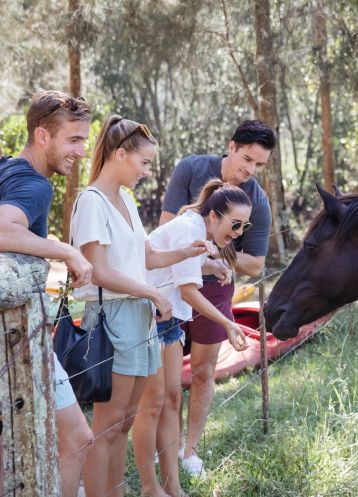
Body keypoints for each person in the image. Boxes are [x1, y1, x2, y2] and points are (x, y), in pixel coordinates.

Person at [70, 115, 209, 497]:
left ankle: (115, 491)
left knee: (125, 423)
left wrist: (186, 250)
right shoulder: (91, 201)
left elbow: (145, 255)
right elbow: (97, 271)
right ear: (119, 154)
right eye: (144, 163)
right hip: (114, 316)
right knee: (108, 424)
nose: (148, 172)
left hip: (139, 317)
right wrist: (153, 293)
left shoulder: (127, 200)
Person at [160, 119, 276, 476]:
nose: (250, 170)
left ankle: (189, 452)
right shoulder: (191, 169)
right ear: (230, 146)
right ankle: (167, 443)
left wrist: (215, 257)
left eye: (259, 165)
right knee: (166, 379)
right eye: (246, 159)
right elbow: (166, 229)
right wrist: (202, 254)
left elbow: (255, 264)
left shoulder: (257, 199)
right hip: (170, 284)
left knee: (202, 372)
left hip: (216, 290)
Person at [0, 89, 93, 497]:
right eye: (73, 139)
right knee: (76, 438)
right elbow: (4, 229)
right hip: (19, 343)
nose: (81, 150)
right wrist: (66, 248)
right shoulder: (37, 186)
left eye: (84, 140)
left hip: (18, 339)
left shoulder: (7, 168)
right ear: (42, 136)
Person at [133, 179, 251, 497]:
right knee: (153, 404)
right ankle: (150, 486)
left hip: (169, 320)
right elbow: (188, 290)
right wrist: (228, 323)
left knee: (172, 399)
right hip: (148, 320)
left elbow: (184, 262)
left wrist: (211, 264)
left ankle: (173, 485)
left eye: (244, 226)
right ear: (213, 216)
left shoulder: (197, 230)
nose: (238, 233)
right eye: (235, 224)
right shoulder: (189, 228)